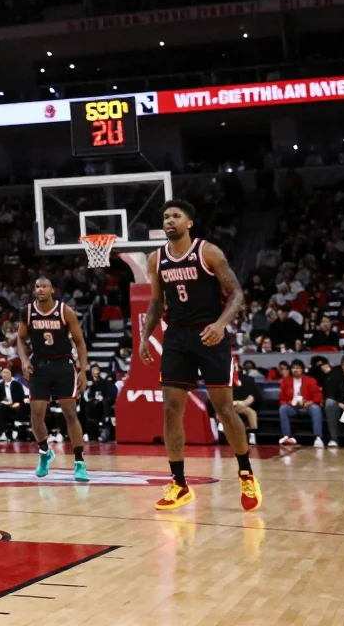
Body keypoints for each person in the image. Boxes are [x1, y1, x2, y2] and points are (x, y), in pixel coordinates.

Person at [136, 200, 259, 513]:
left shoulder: (209, 252)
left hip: (210, 335)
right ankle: (179, 484)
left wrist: (220, 324)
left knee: (224, 409)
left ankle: (246, 472)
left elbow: (237, 294)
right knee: (170, 409)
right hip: (177, 336)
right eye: (166, 217)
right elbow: (155, 303)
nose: (170, 221)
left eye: (176, 216)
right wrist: (144, 337)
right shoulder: (156, 259)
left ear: (189, 223)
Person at [16, 277, 91, 482]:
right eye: (37, 286)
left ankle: (79, 462)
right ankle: (44, 452)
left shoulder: (65, 311)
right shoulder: (28, 311)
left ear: (52, 290)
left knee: (70, 413)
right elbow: (20, 339)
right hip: (39, 365)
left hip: (63, 364)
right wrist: (24, 360)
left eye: (44, 286)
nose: (40, 289)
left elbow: (80, 342)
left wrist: (83, 370)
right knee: (36, 413)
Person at [276, 360, 324, 447]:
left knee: (316, 409)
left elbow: (318, 396)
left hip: (307, 406)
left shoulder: (311, 380)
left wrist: (309, 402)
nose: (295, 370)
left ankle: (318, 437)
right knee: (283, 409)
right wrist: (290, 402)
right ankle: (287, 437)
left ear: (302, 369)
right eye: (293, 368)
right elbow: (282, 398)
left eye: (297, 368)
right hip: (293, 407)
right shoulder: (285, 381)